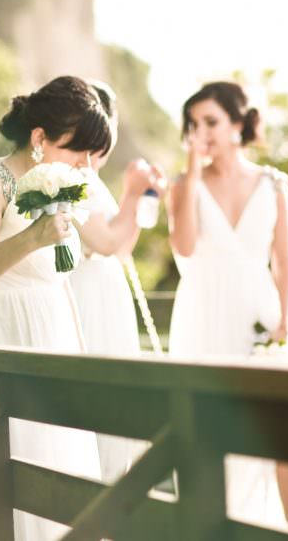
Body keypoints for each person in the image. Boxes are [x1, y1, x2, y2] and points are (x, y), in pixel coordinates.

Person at [0, 76, 109, 540]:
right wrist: (32, 238)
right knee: (2, 487)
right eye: (79, 151)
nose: (87, 165)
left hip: (50, 345)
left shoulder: (63, 187)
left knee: (57, 482)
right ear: (39, 139)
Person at [167, 81, 288, 529]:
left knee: (284, 436)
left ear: (238, 124)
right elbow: (182, 247)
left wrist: (285, 325)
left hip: (261, 319)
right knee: (206, 438)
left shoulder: (273, 183)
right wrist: (192, 172)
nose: (202, 132)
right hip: (203, 316)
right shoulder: (183, 185)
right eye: (193, 124)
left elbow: (285, 261)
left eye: (212, 121)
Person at [71, 80, 165, 480]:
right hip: (88, 310)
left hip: (110, 310)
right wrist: (130, 192)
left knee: (115, 436)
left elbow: (123, 245)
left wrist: (146, 197)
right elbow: (106, 242)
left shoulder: (92, 182)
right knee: (95, 423)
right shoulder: (72, 180)